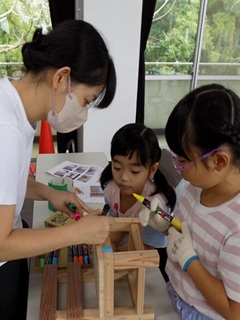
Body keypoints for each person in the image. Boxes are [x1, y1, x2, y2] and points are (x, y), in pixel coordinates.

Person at [0, 19, 116, 320]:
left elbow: (8, 182)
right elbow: (1, 245)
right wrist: (76, 231)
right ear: (62, 77)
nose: (83, 113)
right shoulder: (7, 129)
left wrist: (48, 192)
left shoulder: (12, 105)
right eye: (86, 101)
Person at [141, 84, 240, 319]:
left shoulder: (236, 224)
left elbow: (234, 311)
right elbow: (185, 233)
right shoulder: (196, 187)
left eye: (182, 161)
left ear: (219, 161)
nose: (179, 169)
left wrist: (188, 260)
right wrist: (165, 224)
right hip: (175, 294)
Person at [100, 123, 176, 282]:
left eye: (134, 171)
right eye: (117, 167)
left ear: (152, 170)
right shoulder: (112, 188)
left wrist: (118, 255)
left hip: (154, 258)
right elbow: (116, 222)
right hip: (132, 243)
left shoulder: (156, 204)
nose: (124, 178)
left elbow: (147, 249)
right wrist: (110, 246)